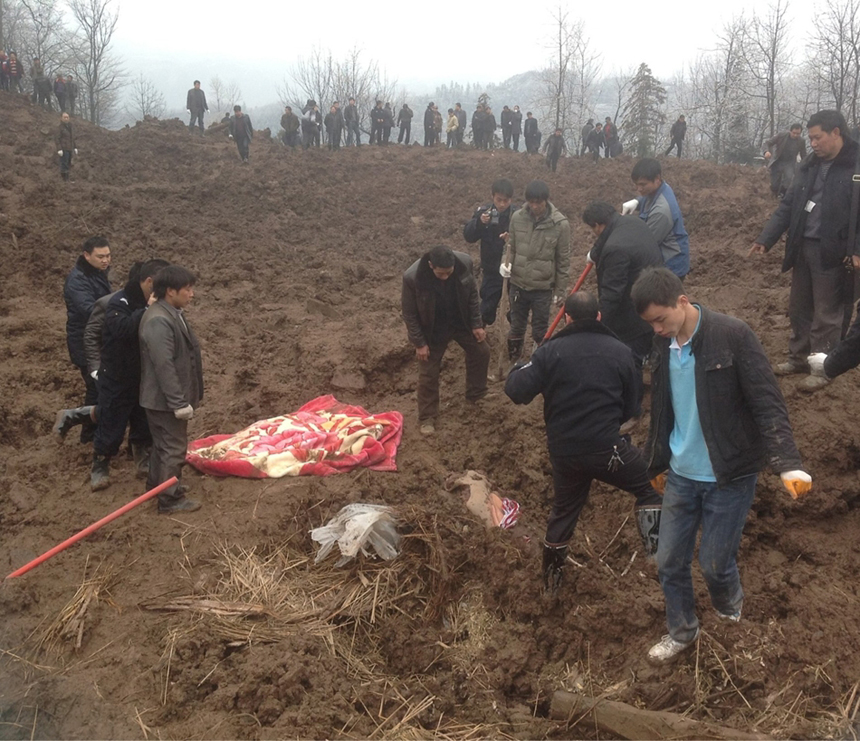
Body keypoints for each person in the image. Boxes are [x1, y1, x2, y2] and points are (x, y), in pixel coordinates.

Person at [631, 267, 811, 663]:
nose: (657, 329)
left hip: (728, 474)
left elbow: (767, 400)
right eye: (650, 323)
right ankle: (682, 632)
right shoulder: (662, 344)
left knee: (714, 562)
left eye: (661, 319)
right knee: (668, 560)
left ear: (681, 301)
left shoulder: (732, 335)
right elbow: (662, 405)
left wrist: (788, 464)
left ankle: (731, 618)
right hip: (681, 472)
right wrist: (658, 459)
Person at [505, 291, 664, 591]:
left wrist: (522, 366)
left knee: (564, 512)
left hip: (565, 453)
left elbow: (515, 392)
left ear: (566, 317)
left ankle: (551, 584)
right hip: (609, 450)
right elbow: (632, 409)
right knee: (651, 488)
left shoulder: (549, 352)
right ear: (599, 317)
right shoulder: (621, 352)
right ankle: (656, 559)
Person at [751, 109, 860, 391]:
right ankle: (798, 357)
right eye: (810, 138)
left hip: (835, 252)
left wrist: (856, 248)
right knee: (799, 308)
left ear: (836, 133)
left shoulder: (855, 166)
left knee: (827, 314)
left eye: (817, 137)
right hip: (803, 247)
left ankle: (822, 367)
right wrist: (766, 238)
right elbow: (788, 206)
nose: (812, 143)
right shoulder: (810, 165)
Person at [90, 259, 169, 491]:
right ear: (149, 282)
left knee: (143, 421)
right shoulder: (119, 302)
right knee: (112, 423)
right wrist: (146, 310)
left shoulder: (157, 302)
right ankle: (100, 465)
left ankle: (142, 460)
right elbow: (123, 329)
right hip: (117, 376)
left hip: (143, 375)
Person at [582, 201, 663, 423]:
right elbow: (605, 239)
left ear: (598, 225)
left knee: (630, 359)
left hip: (634, 312)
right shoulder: (633, 221)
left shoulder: (615, 249)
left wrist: (598, 326)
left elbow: (611, 295)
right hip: (655, 294)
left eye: (593, 229)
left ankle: (633, 412)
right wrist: (594, 253)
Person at [401, 245, 491, 436]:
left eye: (449, 273)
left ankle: (477, 393)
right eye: (441, 274)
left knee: (481, 351)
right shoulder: (413, 278)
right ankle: (427, 417)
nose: (446, 277)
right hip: (432, 328)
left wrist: (476, 324)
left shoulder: (464, 264)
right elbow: (409, 314)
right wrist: (419, 343)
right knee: (428, 372)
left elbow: (473, 296)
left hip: (460, 321)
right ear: (431, 265)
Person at [139, 265, 204, 514]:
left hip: (163, 399)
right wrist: (178, 402)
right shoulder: (158, 320)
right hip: (163, 401)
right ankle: (169, 499)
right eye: (187, 289)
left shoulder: (171, 312)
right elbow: (163, 365)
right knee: (173, 448)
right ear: (170, 291)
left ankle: (156, 486)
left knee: (162, 446)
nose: (191, 294)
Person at [502, 180, 571, 361]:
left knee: (540, 330)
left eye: (538, 202)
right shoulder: (517, 217)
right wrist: (506, 263)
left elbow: (563, 260)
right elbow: (511, 247)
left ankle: (538, 364)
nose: (534, 206)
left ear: (546, 201)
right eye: (531, 202)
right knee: (516, 326)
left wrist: (560, 290)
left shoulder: (560, 224)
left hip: (543, 287)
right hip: (518, 284)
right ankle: (514, 364)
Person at [61, 237, 112, 443]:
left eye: (108, 255)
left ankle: (94, 429)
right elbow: (91, 311)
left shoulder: (98, 273)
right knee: (95, 387)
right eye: (100, 256)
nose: (105, 260)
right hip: (84, 342)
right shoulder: (77, 280)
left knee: (100, 386)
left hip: (99, 339)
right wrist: (118, 310)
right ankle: (88, 434)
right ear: (86, 255)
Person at [623, 158, 691, 280]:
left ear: (657, 179)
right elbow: (647, 197)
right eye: (636, 184)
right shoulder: (661, 188)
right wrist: (637, 201)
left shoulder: (661, 211)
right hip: (665, 259)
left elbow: (645, 244)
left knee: (661, 298)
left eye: (643, 184)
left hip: (671, 266)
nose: (639, 189)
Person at [463, 178, 515, 326]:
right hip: (492, 269)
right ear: (493, 197)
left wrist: (512, 240)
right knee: (486, 309)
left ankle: (515, 340)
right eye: (499, 200)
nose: (502, 204)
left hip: (515, 270)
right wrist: (479, 223)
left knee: (517, 310)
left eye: (506, 200)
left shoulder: (518, 215)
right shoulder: (483, 213)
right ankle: (479, 336)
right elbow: (468, 236)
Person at [763, 124, 807, 198]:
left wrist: (806, 164)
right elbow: (767, 143)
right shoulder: (781, 136)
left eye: (798, 134)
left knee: (788, 180)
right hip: (778, 161)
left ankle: (782, 195)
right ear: (790, 131)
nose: (795, 135)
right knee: (774, 184)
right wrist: (766, 151)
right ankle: (773, 195)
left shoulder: (801, 141)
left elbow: (803, 154)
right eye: (794, 133)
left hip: (790, 163)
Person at [56, 111, 77, 182]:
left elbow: (72, 137)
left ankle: (67, 179)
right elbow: (57, 138)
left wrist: (75, 147)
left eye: (67, 117)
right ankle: (64, 180)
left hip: (70, 148)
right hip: (63, 148)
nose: (66, 119)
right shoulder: (59, 128)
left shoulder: (70, 127)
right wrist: (59, 149)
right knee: (64, 164)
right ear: (61, 118)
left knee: (68, 163)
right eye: (64, 117)